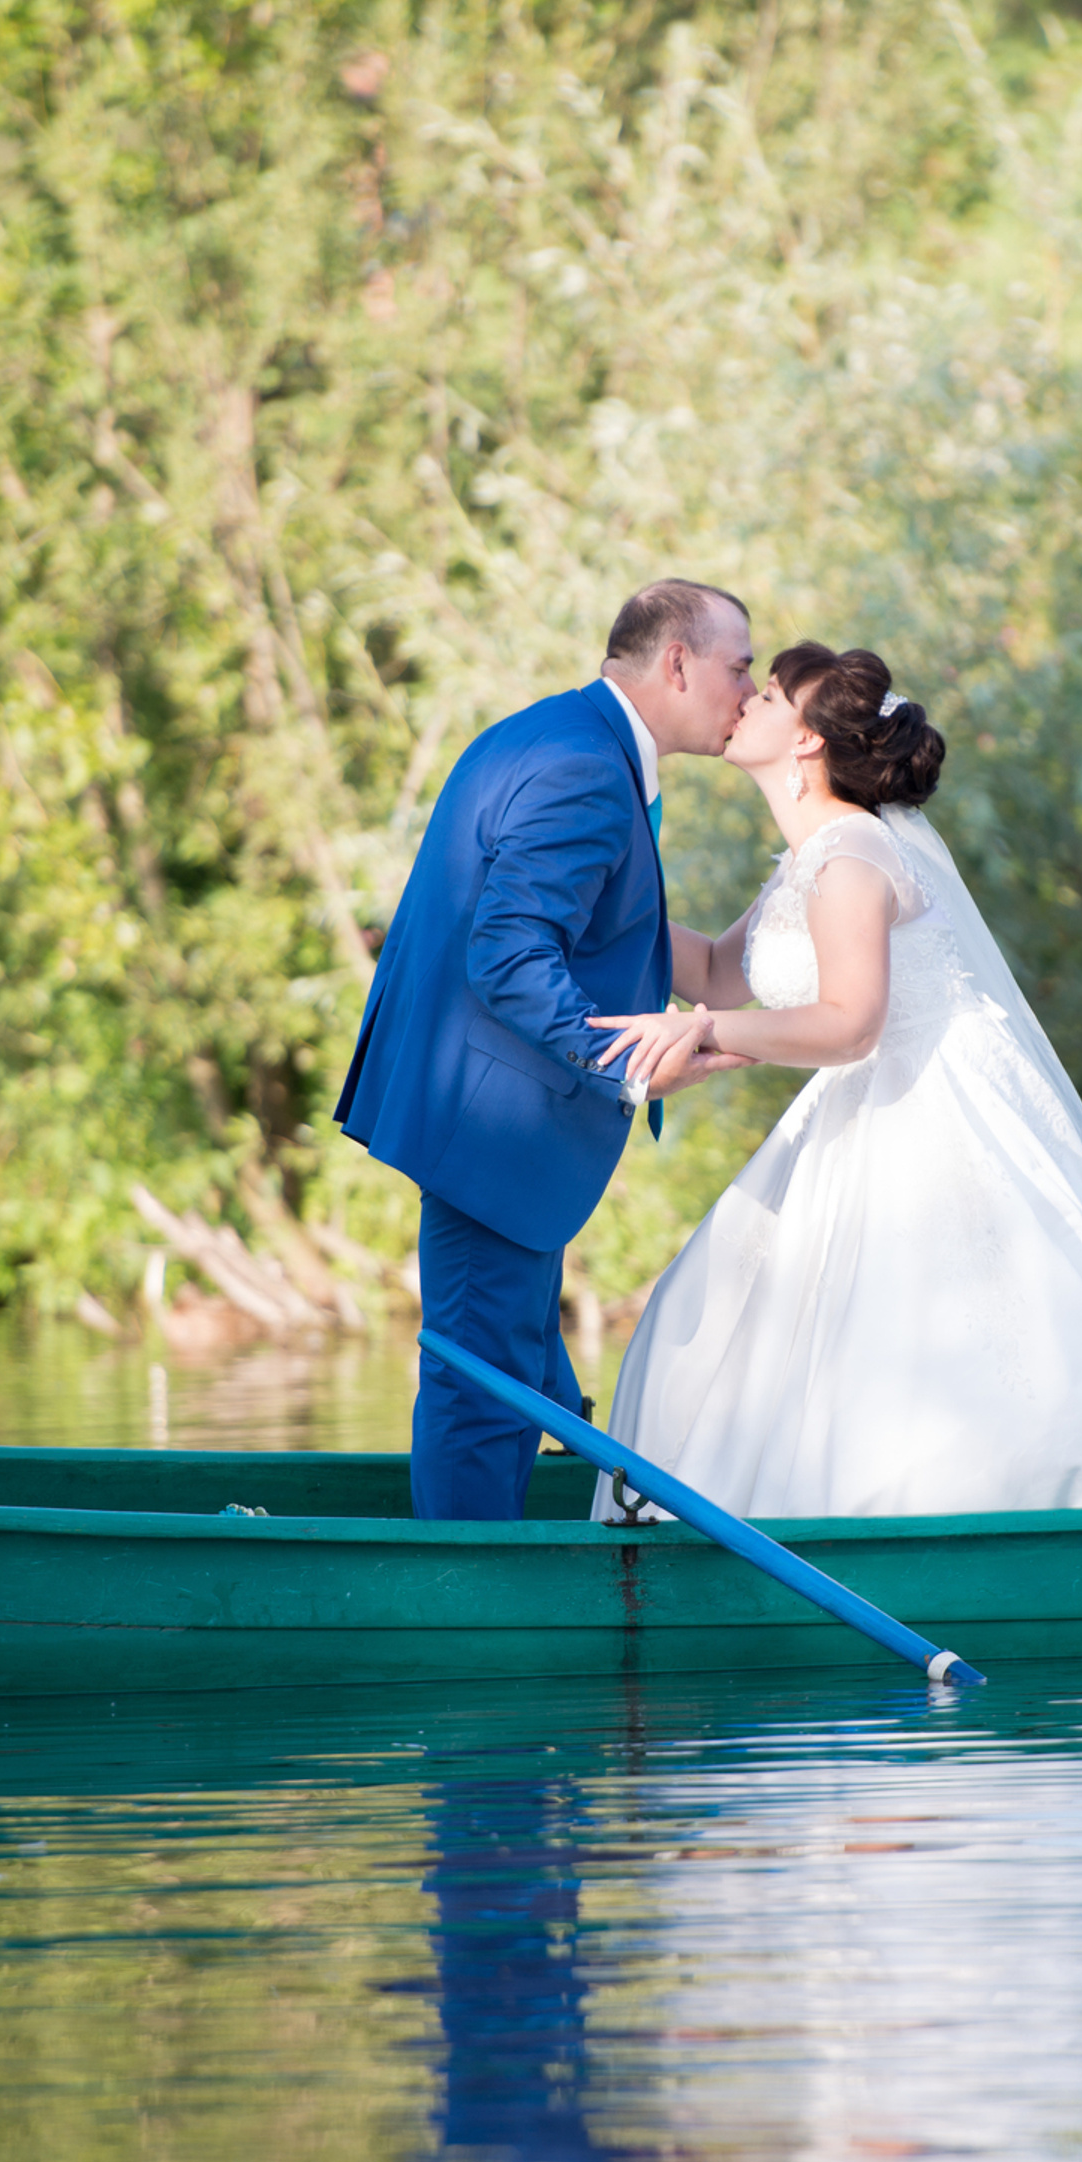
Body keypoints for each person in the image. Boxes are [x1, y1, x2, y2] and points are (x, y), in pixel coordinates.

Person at [587, 643, 1082, 1520]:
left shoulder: (851, 855)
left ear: (806, 745)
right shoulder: (813, 856)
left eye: (772, 692)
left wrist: (703, 1033)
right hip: (862, 1101)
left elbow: (849, 1021)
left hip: (927, 1112)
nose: (746, 696)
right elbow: (716, 970)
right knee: (707, 1310)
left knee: (906, 1344)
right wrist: (600, 913)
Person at [333, 579, 754, 1519]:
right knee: (483, 1384)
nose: (750, 692)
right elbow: (509, 952)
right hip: (496, 1128)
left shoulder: (561, 735)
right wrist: (632, 1061)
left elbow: (603, 933)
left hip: (478, 1113)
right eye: (740, 667)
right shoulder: (586, 770)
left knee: (511, 1358)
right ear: (677, 662)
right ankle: (474, 1601)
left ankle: (599, 1490)